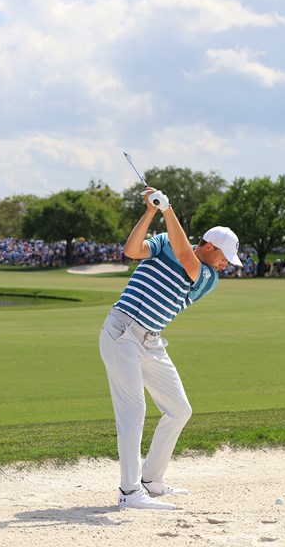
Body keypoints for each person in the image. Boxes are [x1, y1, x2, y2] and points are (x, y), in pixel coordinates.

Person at [99, 186, 242, 511]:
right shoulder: (165, 241)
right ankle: (130, 492)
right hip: (122, 332)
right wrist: (151, 211)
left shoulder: (206, 276)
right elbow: (133, 250)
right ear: (209, 246)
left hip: (150, 341)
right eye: (224, 257)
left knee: (179, 409)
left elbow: (184, 257)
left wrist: (168, 209)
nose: (226, 265)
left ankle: (150, 480)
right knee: (133, 412)